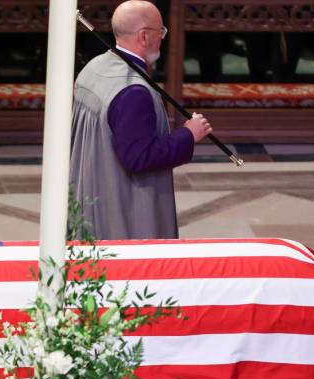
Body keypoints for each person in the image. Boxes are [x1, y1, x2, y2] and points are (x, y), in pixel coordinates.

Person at [70, 0, 212, 240]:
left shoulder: (94, 67)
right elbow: (139, 157)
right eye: (162, 31)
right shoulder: (133, 91)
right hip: (122, 210)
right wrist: (189, 134)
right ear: (145, 36)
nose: (163, 38)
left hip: (89, 191)